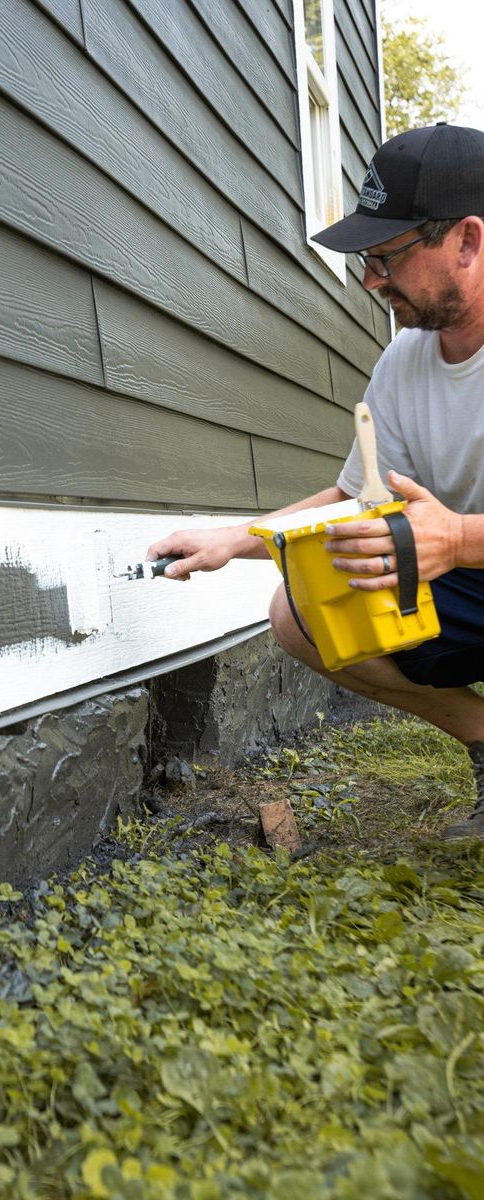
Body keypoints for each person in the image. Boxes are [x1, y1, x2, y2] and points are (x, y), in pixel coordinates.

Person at [146, 122, 484, 839]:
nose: (371, 280)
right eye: (366, 259)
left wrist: (456, 538)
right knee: (297, 615)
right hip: (472, 579)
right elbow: (356, 499)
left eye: (387, 256)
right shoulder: (404, 363)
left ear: (467, 241)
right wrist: (235, 538)